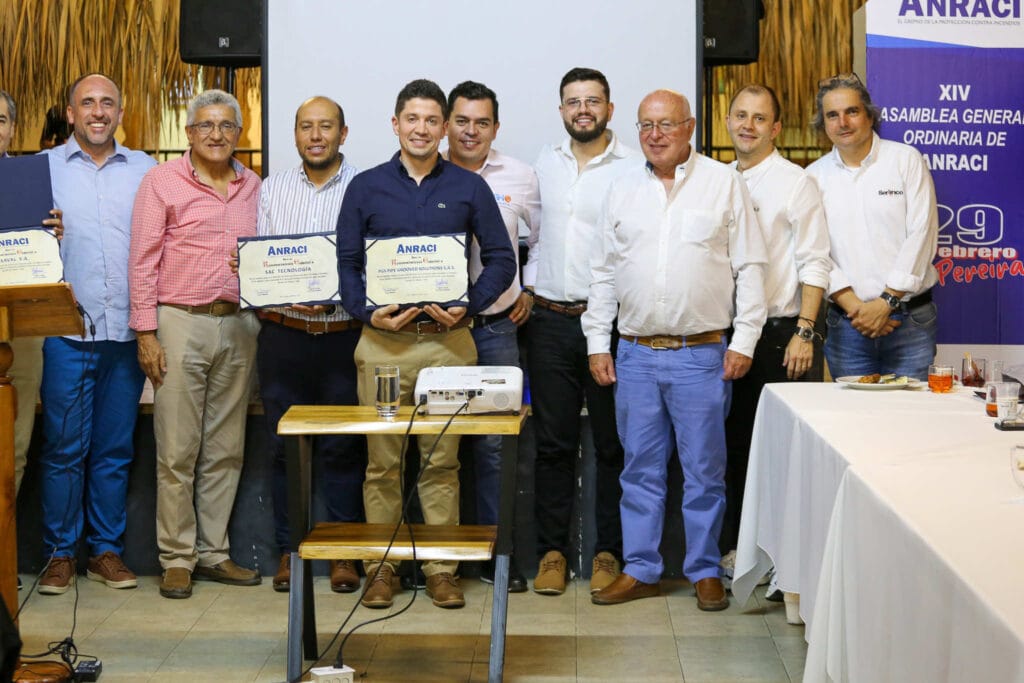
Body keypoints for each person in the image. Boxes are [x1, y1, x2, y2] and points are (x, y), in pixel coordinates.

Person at [583, 89, 767, 610]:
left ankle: (704, 569)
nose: (655, 135)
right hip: (635, 353)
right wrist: (599, 342)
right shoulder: (620, 189)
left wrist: (747, 340)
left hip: (702, 354)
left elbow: (750, 266)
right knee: (638, 467)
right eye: (645, 125)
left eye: (665, 125)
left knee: (705, 470)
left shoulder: (723, 182)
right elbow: (602, 274)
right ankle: (641, 568)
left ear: (689, 127)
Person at [337, 79, 516, 610]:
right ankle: (382, 568)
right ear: (395, 124)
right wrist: (369, 312)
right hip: (383, 348)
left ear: (445, 128)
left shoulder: (468, 187)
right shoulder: (366, 187)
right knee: (382, 464)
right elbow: (346, 265)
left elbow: (503, 258)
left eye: (431, 120)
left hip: (448, 350)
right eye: (411, 119)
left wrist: (470, 304)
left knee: (442, 463)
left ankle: (441, 568)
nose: (421, 129)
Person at [129, 89, 262, 599]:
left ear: (239, 133)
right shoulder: (162, 182)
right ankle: (177, 557)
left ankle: (214, 553)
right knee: (177, 449)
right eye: (205, 126)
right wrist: (146, 332)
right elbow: (142, 259)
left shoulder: (254, 186)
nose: (216, 135)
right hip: (179, 322)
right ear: (188, 133)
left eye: (226, 126)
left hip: (241, 324)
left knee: (227, 448)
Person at [36, 74, 156, 595]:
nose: (98, 111)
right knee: (64, 449)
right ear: (70, 113)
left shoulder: (149, 171)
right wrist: (37, 230)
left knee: (114, 449)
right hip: (65, 330)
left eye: (108, 102)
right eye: (88, 103)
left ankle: (105, 551)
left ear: (121, 112)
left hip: (126, 332)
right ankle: (60, 554)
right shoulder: (40, 170)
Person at [529, 67, 640, 596]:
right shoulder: (542, 165)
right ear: (561, 110)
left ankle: (607, 552)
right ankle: (551, 552)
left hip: (610, 326)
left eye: (593, 101)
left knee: (612, 447)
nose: (583, 110)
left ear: (609, 109)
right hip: (547, 321)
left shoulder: (634, 167)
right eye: (573, 101)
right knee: (552, 444)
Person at [254, 96, 366, 594]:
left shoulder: (366, 187)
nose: (315, 135)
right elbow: (262, 255)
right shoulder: (272, 188)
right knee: (283, 450)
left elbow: (372, 261)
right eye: (306, 127)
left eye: (326, 127)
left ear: (344, 134)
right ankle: (290, 551)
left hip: (344, 336)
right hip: (284, 336)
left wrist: (338, 295)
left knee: (345, 448)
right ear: (295, 135)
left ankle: (343, 554)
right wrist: (261, 281)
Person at [719, 84, 831, 561]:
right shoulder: (716, 180)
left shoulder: (795, 182)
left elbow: (816, 262)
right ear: (727, 120)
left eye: (759, 118)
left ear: (776, 128)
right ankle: (738, 555)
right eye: (740, 115)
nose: (748, 125)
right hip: (724, 336)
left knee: (780, 458)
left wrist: (805, 332)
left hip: (781, 337)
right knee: (733, 451)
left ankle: (783, 561)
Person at [443, 80, 540, 593]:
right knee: (439, 447)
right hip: (437, 335)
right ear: (445, 123)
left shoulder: (520, 177)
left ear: (495, 128)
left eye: (482, 122)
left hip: (498, 329)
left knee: (497, 448)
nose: (471, 131)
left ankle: (497, 557)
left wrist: (532, 287)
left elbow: (540, 241)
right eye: (462, 120)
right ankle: (444, 562)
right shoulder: (427, 176)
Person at [806, 74, 939, 381]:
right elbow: (816, 252)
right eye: (832, 115)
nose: (843, 122)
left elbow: (922, 235)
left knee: (912, 423)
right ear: (824, 124)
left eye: (851, 111)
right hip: (848, 326)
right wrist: (858, 309)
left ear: (868, 114)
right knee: (853, 425)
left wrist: (886, 302)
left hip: (911, 323)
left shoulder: (906, 160)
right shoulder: (813, 177)